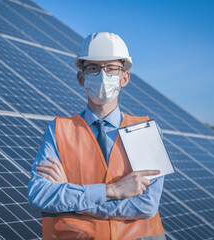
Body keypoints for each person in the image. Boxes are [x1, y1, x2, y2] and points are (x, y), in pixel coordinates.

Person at [28, 32, 166, 239]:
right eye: (93, 68)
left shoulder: (145, 131)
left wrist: (70, 195)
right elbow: (40, 195)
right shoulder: (58, 130)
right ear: (81, 78)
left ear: (124, 78)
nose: (103, 76)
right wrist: (112, 191)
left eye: (111, 68)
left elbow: (145, 205)